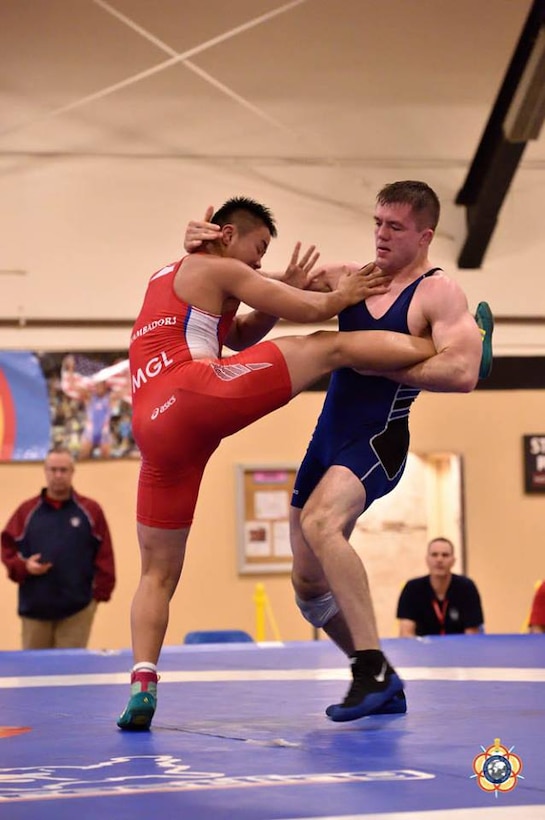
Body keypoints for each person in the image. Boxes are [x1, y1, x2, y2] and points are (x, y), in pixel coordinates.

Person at [118, 195, 439, 731]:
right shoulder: (217, 264)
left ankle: (142, 686)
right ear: (227, 234)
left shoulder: (170, 276)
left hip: (154, 427)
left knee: (156, 572)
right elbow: (311, 311)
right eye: (258, 249)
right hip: (193, 395)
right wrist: (346, 293)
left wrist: (269, 293)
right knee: (327, 347)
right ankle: (442, 349)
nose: (260, 264)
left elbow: (238, 335)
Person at [183, 182, 493, 723]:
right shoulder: (350, 277)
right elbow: (244, 316)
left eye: (394, 228)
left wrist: (374, 361)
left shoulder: (437, 294)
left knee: (322, 524)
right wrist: (202, 251)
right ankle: (378, 677)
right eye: (376, 222)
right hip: (328, 436)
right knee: (306, 585)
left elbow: (462, 373)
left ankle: (370, 668)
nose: (380, 235)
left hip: (379, 438)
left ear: (425, 235)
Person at [1, 446, 116, 649]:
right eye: (53, 470)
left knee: (71, 675)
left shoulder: (90, 511)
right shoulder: (27, 511)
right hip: (34, 612)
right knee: (34, 677)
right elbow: (7, 547)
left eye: (63, 470)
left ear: (72, 472)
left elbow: (105, 555)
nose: (58, 475)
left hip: (77, 612)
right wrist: (24, 567)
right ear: (45, 471)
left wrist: (97, 597)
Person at [396, 537, 484, 637]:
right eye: (434, 555)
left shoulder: (467, 588)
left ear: (453, 560)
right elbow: (406, 634)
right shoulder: (412, 589)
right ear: (427, 559)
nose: (439, 559)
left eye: (445, 555)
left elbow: (472, 636)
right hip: (422, 651)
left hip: (458, 650)